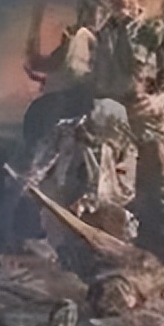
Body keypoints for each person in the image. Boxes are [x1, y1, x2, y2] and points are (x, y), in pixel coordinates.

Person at [91, 0, 164, 264]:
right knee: (129, 193)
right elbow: (98, 79)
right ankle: (139, 256)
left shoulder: (156, 31)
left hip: (153, 123)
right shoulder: (104, 35)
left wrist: (159, 99)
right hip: (118, 126)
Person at [25, 98, 139, 243]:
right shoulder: (65, 130)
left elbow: (126, 188)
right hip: (63, 195)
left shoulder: (124, 143)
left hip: (103, 204)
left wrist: (92, 202)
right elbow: (43, 160)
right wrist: (32, 182)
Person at [21, 0, 108, 154]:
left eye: (93, 11)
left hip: (89, 102)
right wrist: (36, 18)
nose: (88, 16)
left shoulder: (107, 41)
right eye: (84, 10)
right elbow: (38, 63)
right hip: (69, 100)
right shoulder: (75, 39)